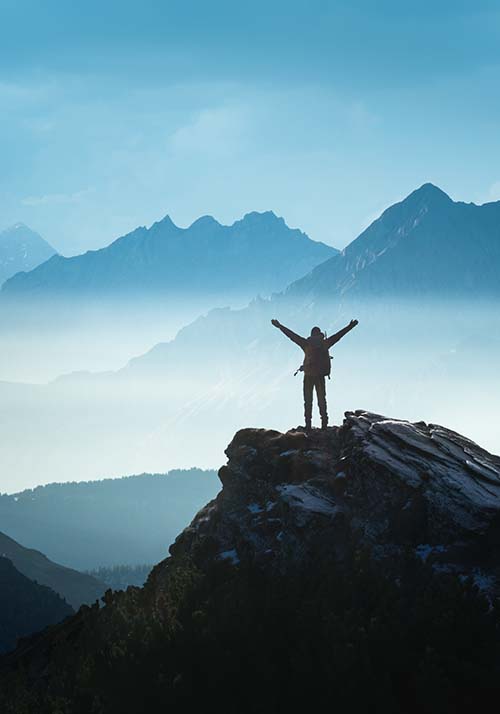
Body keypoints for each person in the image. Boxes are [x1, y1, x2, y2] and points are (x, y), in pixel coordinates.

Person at [271, 318, 358, 431]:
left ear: (311, 334)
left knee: (308, 401)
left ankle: (308, 425)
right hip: (320, 376)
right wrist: (350, 326)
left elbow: (292, 335)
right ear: (320, 334)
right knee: (322, 400)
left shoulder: (306, 343)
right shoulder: (325, 343)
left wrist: (280, 326)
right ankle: (324, 425)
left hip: (308, 376)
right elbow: (339, 335)